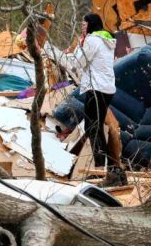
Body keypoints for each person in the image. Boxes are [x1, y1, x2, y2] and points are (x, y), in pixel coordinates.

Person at [48, 13, 123, 185]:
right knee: (94, 126)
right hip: (106, 88)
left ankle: (101, 169)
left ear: (91, 25)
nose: (83, 28)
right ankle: (105, 168)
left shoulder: (93, 40)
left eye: (84, 24)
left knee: (93, 127)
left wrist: (63, 55)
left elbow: (78, 62)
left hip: (97, 88)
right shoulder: (107, 41)